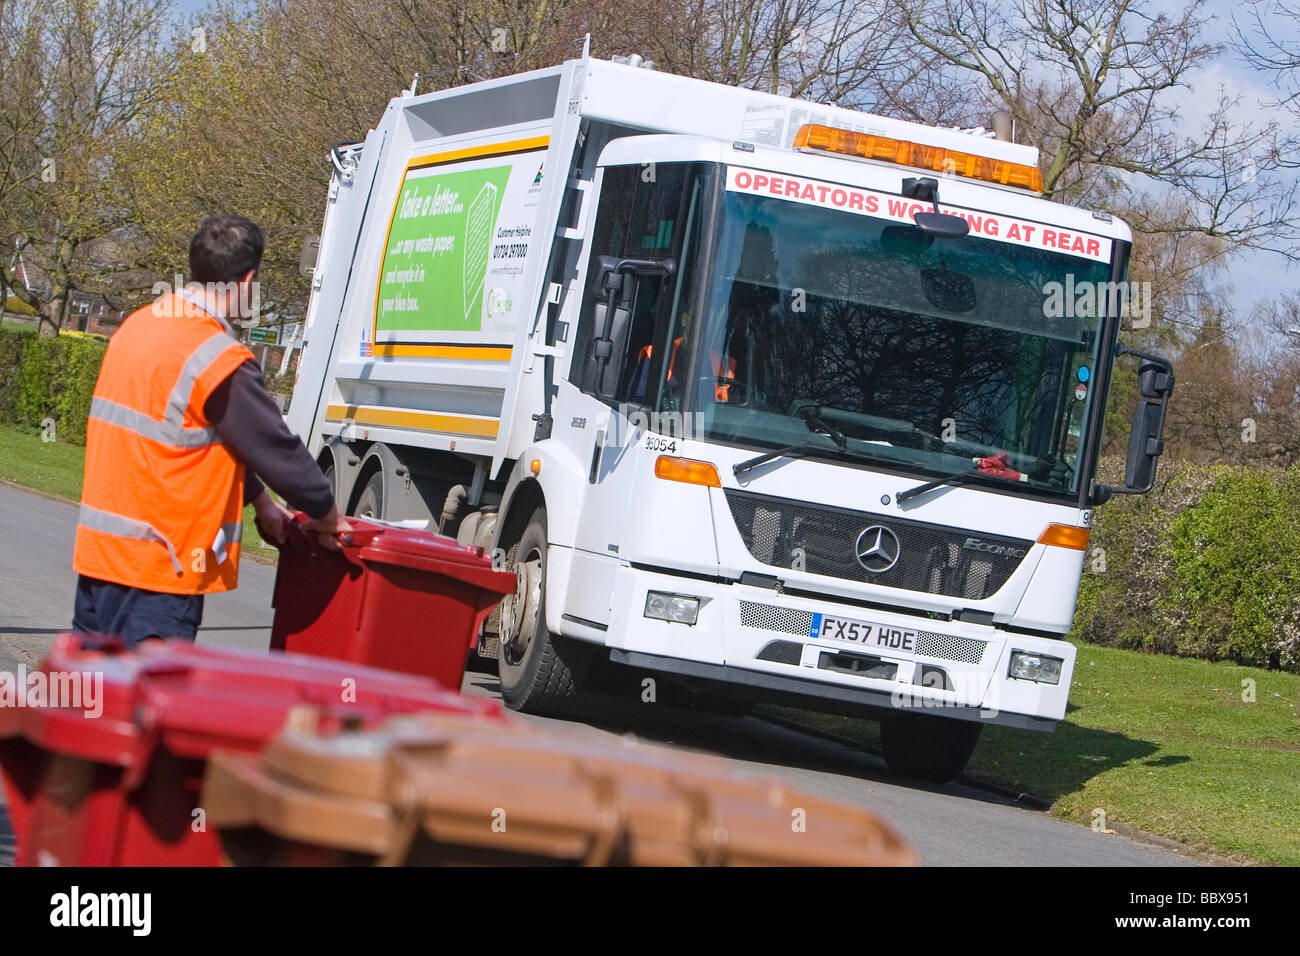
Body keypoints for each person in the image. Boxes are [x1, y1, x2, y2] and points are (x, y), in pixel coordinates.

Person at [71, 214, 349, 647]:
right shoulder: (217, 356)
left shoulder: (139, 326)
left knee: (91, 703)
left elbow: (194, 435)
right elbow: (276, 449)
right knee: (144, 708)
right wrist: (326, 513)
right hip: (162, 569)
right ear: (248, 280)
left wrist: (260, 503)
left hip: (101, 561)